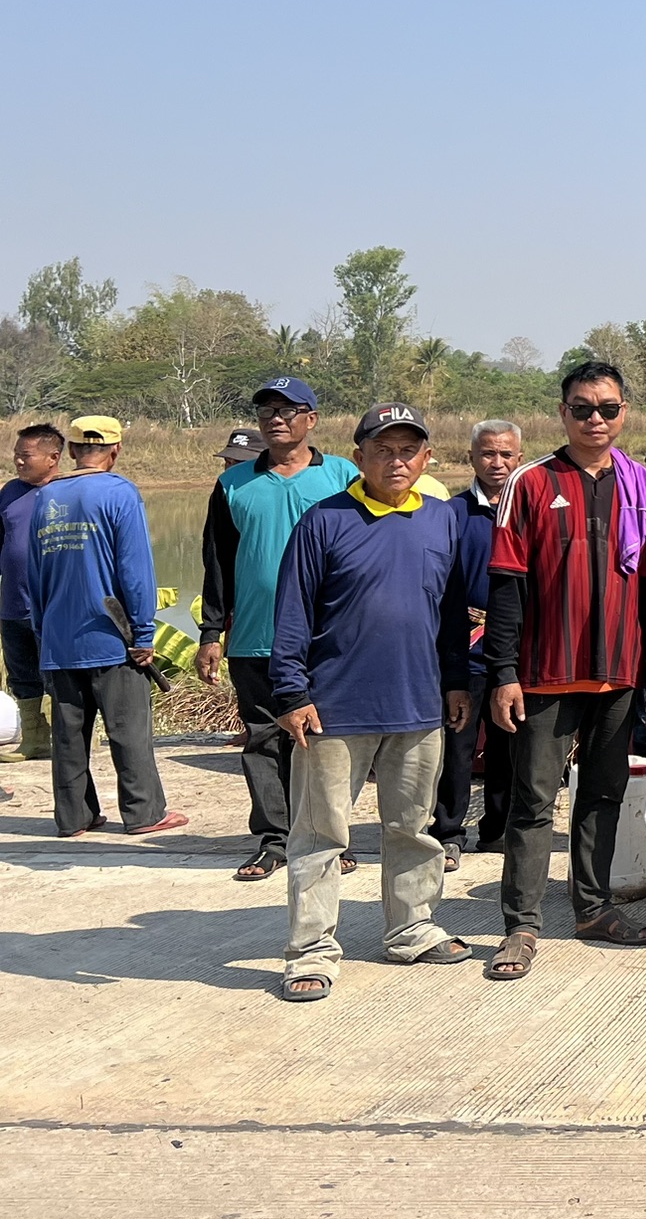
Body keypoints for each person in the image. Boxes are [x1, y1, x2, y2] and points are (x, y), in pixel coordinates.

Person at [269, 403, 474, 1001]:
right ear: (359, 457)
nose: (396, 460)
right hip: (334, 707)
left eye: (408, 450)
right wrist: (290, 691)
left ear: (427, 458)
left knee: (413, 827)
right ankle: (311, 951)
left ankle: (411, 928)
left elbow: (452, 614)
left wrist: (456, 681)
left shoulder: (442, 520)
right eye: (383, 450)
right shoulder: (324, 521)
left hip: (418, 702)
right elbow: (292, 613)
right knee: (320, 835)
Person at [480, 361, 646, 979]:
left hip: (619, 671)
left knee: (603, 793)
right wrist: (503, 672)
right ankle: (521, 925)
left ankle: (593, 908)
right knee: (533, 801)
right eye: (582, 408)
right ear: (563, 413)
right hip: (545, 673)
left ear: (623, 413)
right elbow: (506, 586)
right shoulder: (529, 483)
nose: (595, 419)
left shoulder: (643, 486)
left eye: (607, 409)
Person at [197, 376, 360, 881]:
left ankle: (330, 837)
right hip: (255, 635)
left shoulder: (343, 475)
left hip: (327, 637)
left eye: (288, 410)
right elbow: (218, 563)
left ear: (311, 419)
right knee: (264, 739)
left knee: (327, 740)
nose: (275, 418)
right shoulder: (233, 483)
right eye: (267, 410)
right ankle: (274, 839)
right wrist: (211, 633)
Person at [29, 416, 187, 838]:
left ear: (72, 451)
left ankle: (74, 818)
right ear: (115, 450)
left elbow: (33, 575)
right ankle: (144, 813)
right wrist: (144, 634)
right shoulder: (120, 492)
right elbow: (135, 572)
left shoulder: (46, 498)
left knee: (68, 735)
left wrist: (43, 632)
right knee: (128, 730)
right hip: (113, 638)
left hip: (60, 639)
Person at [430, 419, 522, 861]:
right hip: (465, 650)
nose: (497, 462)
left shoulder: (530, 509)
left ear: (520, 459)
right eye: (488, 453)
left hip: (517, 652)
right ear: (471, 458)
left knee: (508, 743)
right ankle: (449, 831)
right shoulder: (451, 514)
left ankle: (498, 828)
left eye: (506, 454)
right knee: (458, 746)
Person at [0, 423, 65, 768]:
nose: (18, 461)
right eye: (16, 454)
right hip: (13, 603)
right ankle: (35, 740)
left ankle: (74, 740)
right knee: (22, 675)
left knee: (61, 676)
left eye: (26, 455)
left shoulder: (69, 492)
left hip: (55, 605)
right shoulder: (9, 492)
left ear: (53, 457)